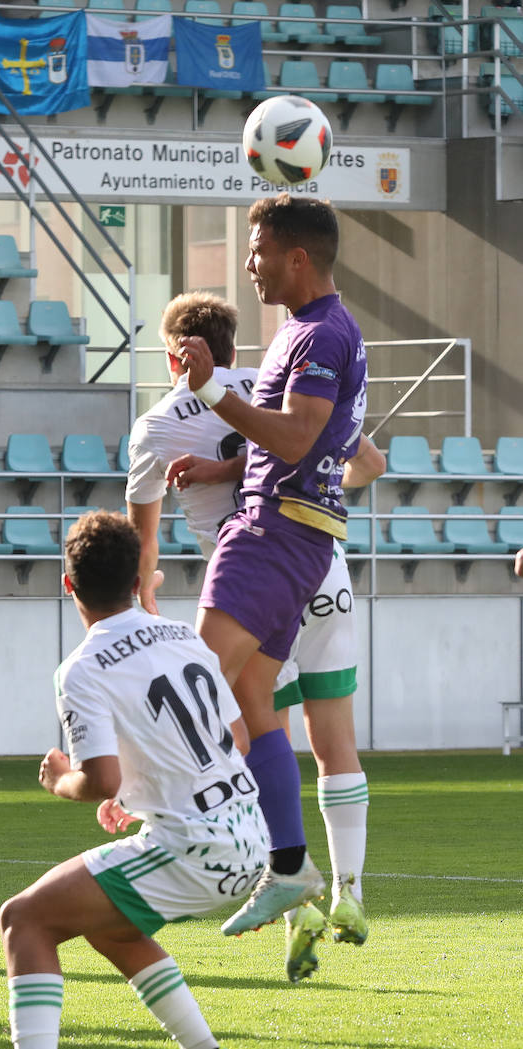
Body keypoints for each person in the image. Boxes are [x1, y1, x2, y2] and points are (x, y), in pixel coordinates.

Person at [125, 291, 382, 982]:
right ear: (232, 343)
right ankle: (345, 893)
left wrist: (145, 599)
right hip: (324, 567)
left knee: (231, 711)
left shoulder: (156, 425)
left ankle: (257, 867)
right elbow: (365, 463)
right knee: (330, 740)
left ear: (176, 354)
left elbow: (143, 551)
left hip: (256, 574)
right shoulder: (278, 381)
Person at [170, 194, 368, 936]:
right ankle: (289, 866)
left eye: (257, 249)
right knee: (255, 699)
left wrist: (212, 390)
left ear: (297, 257)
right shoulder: (311, 331)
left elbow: (294, 439)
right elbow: (308, 448)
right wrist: (222, 470)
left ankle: (169, 838)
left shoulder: (320, 334)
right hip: (300, 536)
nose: (247, 262)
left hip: (273, 535)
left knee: (193, 679)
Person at [0, 510, 267, 1049]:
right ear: (138, 581)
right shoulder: (184, 638)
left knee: (24, 918)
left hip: (196, 846)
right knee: (111, 926)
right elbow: (237, 738)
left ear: (68, 584)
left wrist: (60, 780)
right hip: (252, 836)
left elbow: (97, 780)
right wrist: (137, 794)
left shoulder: (82, 667)